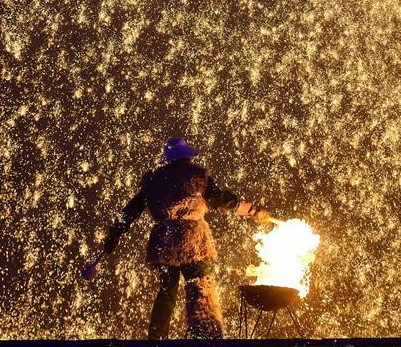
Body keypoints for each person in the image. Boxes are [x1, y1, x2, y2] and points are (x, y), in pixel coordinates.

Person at [84, 137, 270, 339]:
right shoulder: (198, 176)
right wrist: (253, 211)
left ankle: (156, 339)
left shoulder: (153, 181)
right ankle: (205, 337)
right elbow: (221, 200)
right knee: (200, 287)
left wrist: (113, 236)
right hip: (194, 242)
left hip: (164, 243)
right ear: (187, 157)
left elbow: (130, 212)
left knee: (166, 292)